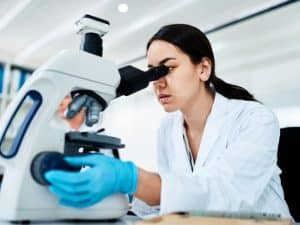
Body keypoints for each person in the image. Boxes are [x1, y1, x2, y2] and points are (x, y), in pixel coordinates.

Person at [45, 24, 292, 218]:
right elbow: (172, 200)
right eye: (153, 71)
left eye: (168, 68)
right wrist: (118, 199)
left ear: (203, 68)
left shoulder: (255, 119)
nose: (157, 82)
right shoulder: (169, 127)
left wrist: (131, 178)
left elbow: (225, 194)